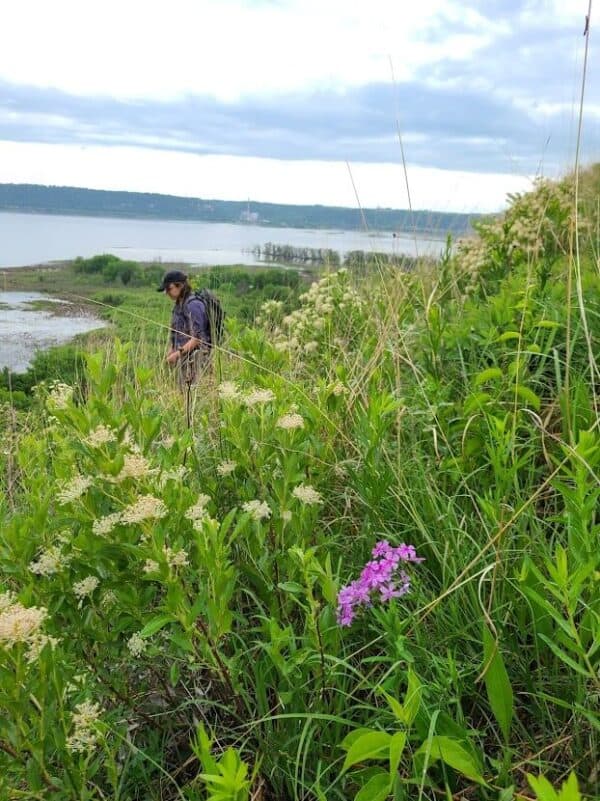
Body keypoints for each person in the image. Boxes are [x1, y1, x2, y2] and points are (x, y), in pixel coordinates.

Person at [157, 270, 211, 388]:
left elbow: (197, 338)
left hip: (196, 359)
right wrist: (172, 349)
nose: (167, 293)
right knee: (182, 393)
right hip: (183, 358)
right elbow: (176, 331)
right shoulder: (178, 304)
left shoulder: (193, 305)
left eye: (169, 289)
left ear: (180, 286)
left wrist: (176, 355)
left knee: (191, 394)